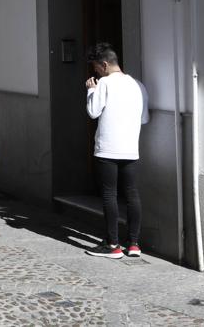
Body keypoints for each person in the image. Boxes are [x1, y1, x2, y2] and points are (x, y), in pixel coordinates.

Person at [83, 42, 150, 259]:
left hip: (107, 149)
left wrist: (91, 91)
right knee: (132, 194)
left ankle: (112, 245)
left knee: (110, 194)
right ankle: (134, 244)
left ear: (104, 64)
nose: (95, 72)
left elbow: (93, 112)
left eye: (96, 67)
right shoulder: (138, 85)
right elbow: (144, 118)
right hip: (130, 147)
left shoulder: (104, 83)